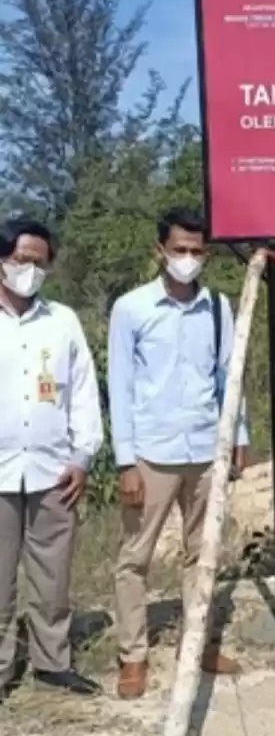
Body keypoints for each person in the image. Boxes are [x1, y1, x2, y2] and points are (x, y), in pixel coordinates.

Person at [108, 207, 251, 700]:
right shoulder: (132, 308)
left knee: (203, 554)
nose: (188, 259)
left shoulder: (217, 307)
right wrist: (125, 461)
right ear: (160, 251)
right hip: (152, 452)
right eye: (180, 250)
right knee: (135, 558)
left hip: (205, 448)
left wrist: (238, 435)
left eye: (196, 251)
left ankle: (200, 644)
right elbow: (120, 387)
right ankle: (133, 655)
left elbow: (229, 374)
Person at [0, 218, 104, 702]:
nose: (30, 270)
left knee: (52, 575)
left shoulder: (62, 321)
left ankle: (52, 663)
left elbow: (82, 390)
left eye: (40, 263)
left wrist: (82, 456)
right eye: (22, 260)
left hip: (53, 470)